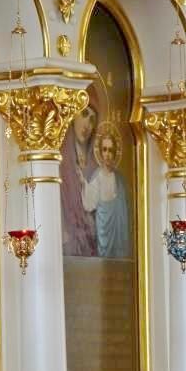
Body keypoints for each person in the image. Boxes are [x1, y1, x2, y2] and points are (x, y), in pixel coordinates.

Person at [82, 123, 130, 258]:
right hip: (102, 230)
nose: (107, 154)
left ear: (115, 153)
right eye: (104, 150)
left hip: (118, 235)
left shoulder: (119, 180)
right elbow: (90, 204)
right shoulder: (97, 177)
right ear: (100, 152)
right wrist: (83, 183)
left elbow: (124, 212)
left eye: (111, 150)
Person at [61, 103, 100, 257]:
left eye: (92, 120)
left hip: (90, 240)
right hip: (68, 239)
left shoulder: (96, 163)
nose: (87, 125)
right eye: (84, 114)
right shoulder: (62, 161)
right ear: (73, 116)